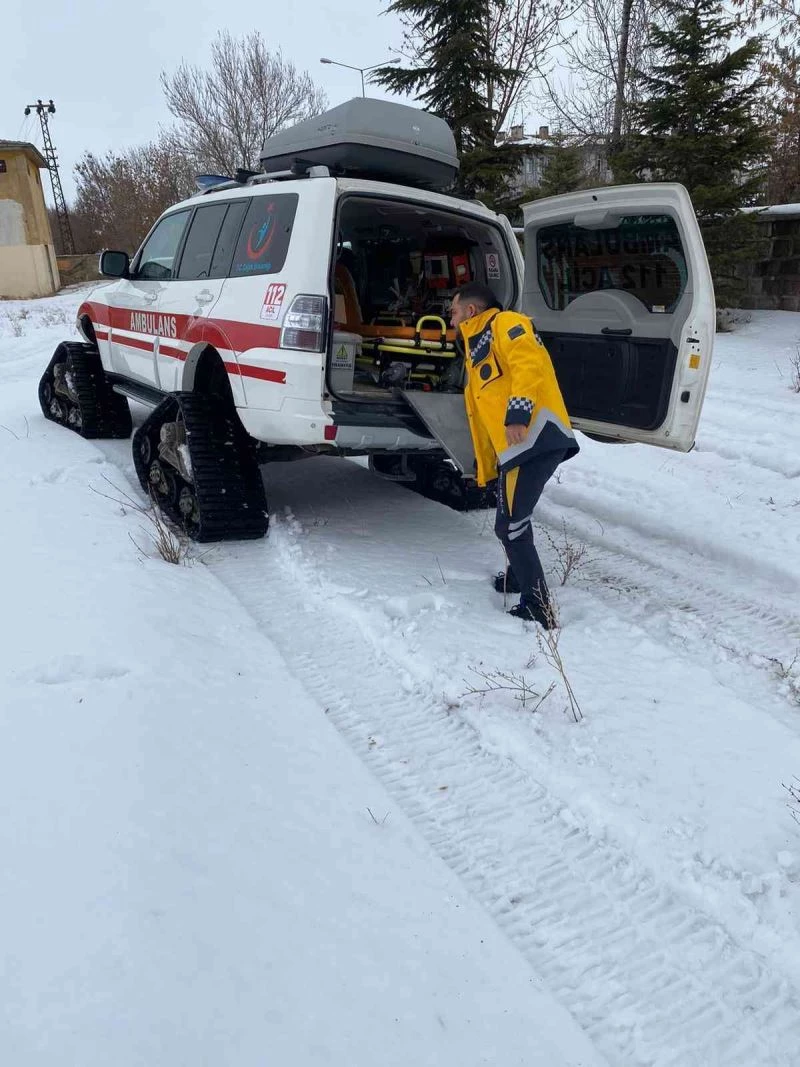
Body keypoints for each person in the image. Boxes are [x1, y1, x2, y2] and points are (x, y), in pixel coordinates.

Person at [449, 282, 579, 627]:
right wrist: (488, 462)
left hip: (534, 437)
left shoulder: (504, 323)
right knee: (513, 520)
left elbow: (529, 362)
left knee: (510, 526)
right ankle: (518, 577)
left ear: (471, 311)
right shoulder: (476, 346)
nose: (451, 318)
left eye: (454, 311)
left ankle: (538, 608)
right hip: (517, 448)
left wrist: (518, 413)